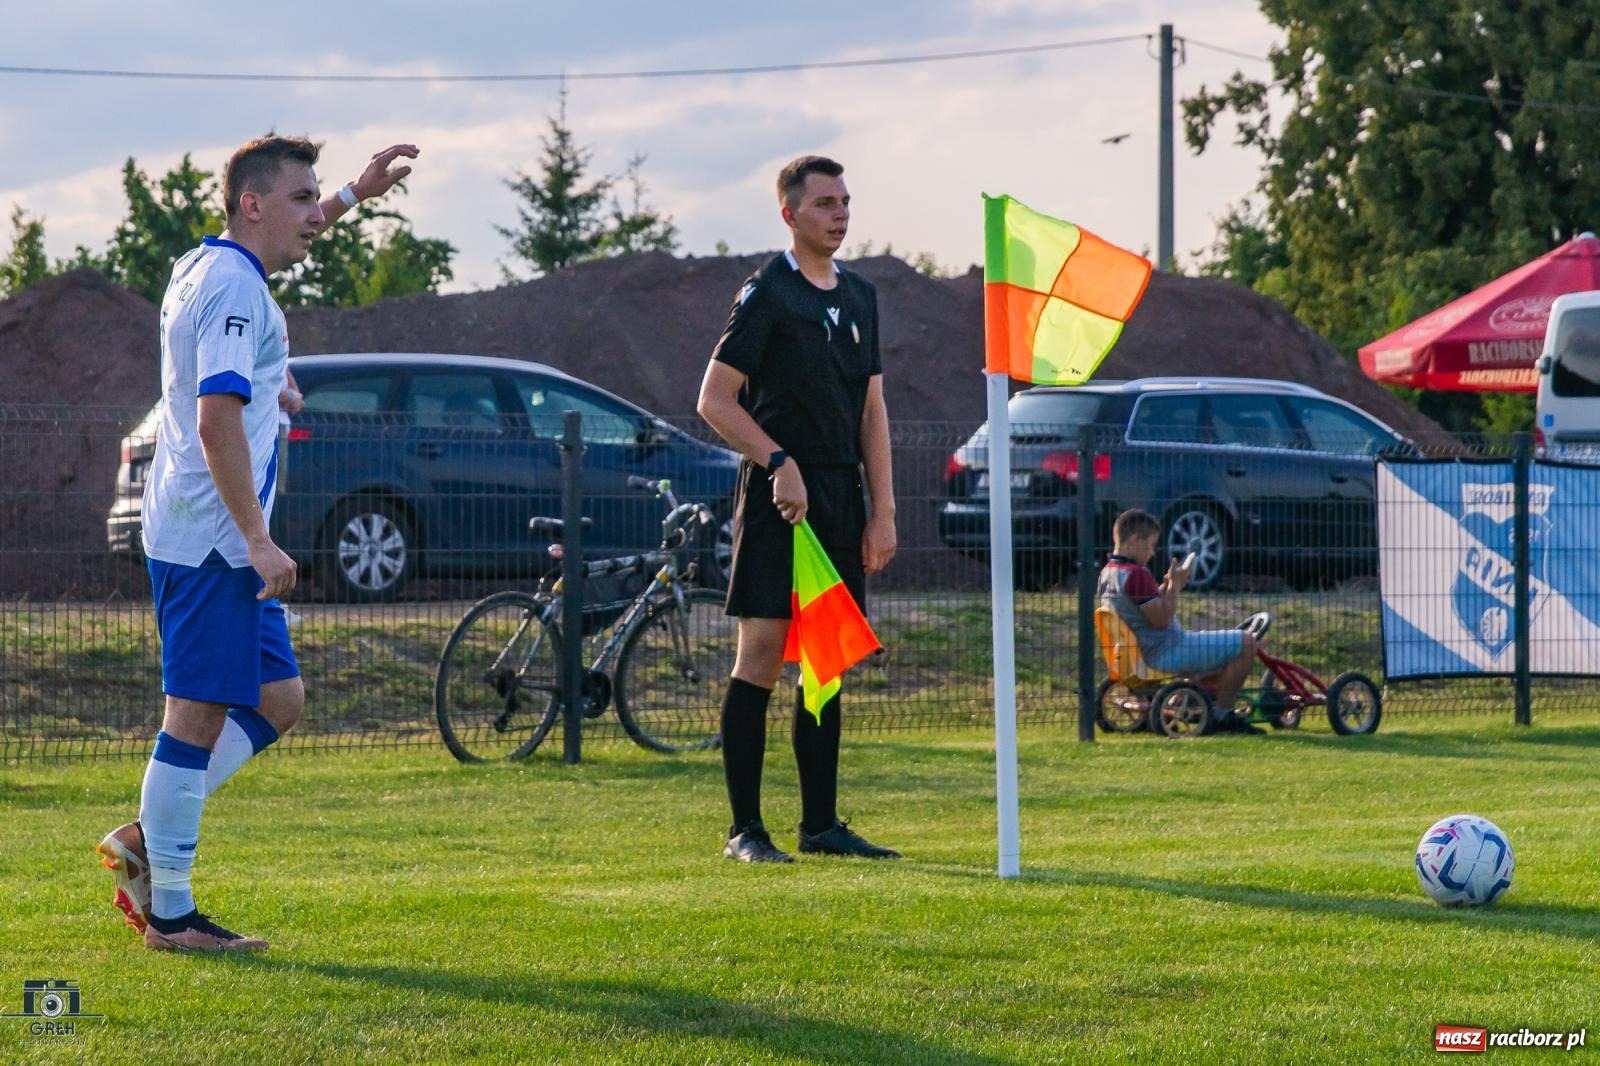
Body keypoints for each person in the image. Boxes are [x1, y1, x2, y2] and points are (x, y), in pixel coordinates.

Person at [95, 136, 420, 951]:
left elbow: (232, 374)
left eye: (319, 199)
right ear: (253, 204)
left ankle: (147, 832)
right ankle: (170, 914)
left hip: (210, 535)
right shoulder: (236, 287)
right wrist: (258, 539)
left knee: (279, 699)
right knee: (197, 713)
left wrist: (355, 192)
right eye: (303, 198)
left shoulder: (207, 265)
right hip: (214, 541)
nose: (317, 214)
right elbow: (214, 419)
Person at [696, 155, 898, 863]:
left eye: (845, 201)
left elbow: (872, 410)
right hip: (780, 504)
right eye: (823, 204)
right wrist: (778, 462)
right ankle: (744, 831)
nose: (839, 213)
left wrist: (885, 511)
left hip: (843, 501)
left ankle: (821, 826)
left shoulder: (863, 296)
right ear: (789, 214)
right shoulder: (767, 293)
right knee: (759, 658)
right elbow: (714, 400)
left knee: (826, 662)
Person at [1098, 508, 1256, 718]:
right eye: (1151, 545)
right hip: (1165, 650)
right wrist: (1176, 586)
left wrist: (1165, 587)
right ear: (1135, 540)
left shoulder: (1108, 573)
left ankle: (1195, 703)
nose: (1152, 553)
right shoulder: (1136, 575)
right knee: (1247, 643)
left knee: (1224, 653)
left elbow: (1141, 610)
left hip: (1142, 651)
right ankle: (1223, 714)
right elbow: (1161, 620)